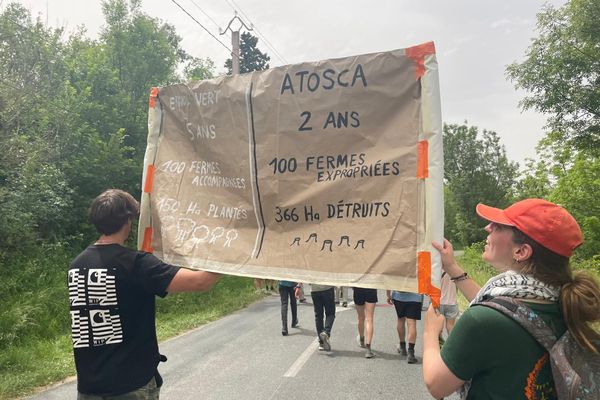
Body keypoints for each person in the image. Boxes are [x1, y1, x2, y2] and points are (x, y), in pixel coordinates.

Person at [423, 198, 600, 399]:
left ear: (521, 251)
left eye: (498, 226)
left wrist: (430, 334)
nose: (487, 227)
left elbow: (436, 384)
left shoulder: (480, 322)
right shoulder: (564, 303)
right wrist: (453, 268)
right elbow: (510, 309)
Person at [69, 189, 220, 399]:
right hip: (130, 385)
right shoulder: (136, 263)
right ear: (128, 220)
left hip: (88, 388)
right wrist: (228, 257)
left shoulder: (76, 265)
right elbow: (201, 281)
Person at [387, 290, 423, 364]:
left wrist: (388, 294)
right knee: (412, 323)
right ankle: (411, 353)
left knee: (400, 320)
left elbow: (390, 279)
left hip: (399, 296)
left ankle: (402, 347)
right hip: (415, 296)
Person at [353, 287, 378, 358]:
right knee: (369, 319)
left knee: (360, 318)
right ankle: (368, 348)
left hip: (358, 288)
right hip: (371, 288)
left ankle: (361, 339)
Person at [310, 284, 336, 351]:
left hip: (314, 290)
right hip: (327, 289)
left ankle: (321, 343)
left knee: (318, 316)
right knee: (331, 313)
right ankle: (326, 332)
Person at [438, 271, 459, 345]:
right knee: (450, 326)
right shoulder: (455, 272)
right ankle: (452, 345)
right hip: (452, 302)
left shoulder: (437, 270)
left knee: (438, 327)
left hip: (438, 302)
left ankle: (439, 345)